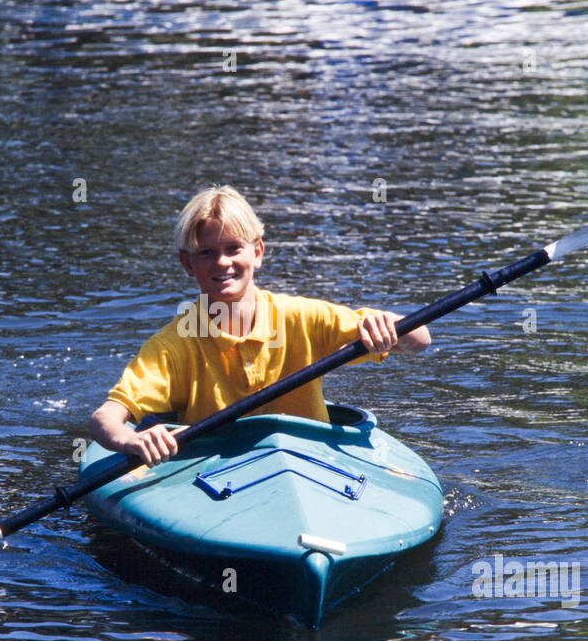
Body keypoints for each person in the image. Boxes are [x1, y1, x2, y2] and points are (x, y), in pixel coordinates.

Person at [89, 186, 431, 466]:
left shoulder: (301, 316)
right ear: (187, 264)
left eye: (233, 248)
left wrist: (391, 330)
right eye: (206, 252)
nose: (222, 262)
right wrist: (131, 439)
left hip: (310, 460)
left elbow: (421, 340)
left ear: (258, 253)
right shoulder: (172, 345)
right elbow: (105, 418)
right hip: (214, 465)